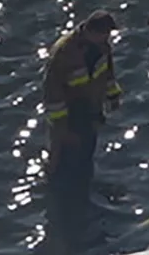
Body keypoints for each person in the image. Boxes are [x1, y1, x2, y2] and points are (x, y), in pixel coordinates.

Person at [42, 10, 123, 202]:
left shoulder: (102, 47)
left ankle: (82, 191)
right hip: (69, 115)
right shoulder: (64, 53)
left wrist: (113, 97)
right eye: (105, 34)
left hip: (91, 109)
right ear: (92, 31)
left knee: (85, 155)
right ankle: (59, 196)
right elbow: (52, 93)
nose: (108, 38)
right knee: (62, 159)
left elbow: (108, 73)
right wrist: (62, 128)